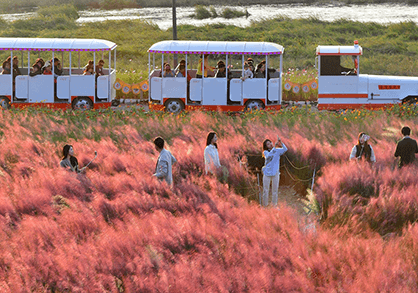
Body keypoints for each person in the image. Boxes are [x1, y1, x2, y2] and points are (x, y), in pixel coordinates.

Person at [262, 136, 288, 207]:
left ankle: (274, 206)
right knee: (265, 190)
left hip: (275, 173)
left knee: (275, 191)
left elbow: (285, 149)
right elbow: (268, 157)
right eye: (268, 144)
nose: (270, 144)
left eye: (270, 142)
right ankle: (265, 205)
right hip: (267, 173)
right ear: (266, 146)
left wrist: (281, 142)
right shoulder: (266, 152)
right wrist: (275, 147)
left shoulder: (277, 150)